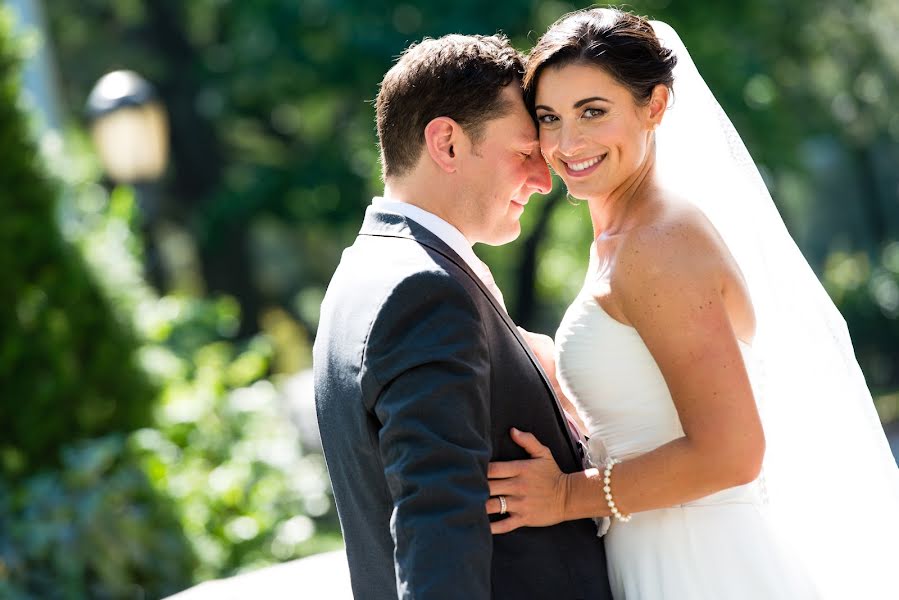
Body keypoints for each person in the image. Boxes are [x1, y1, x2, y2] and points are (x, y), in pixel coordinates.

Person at [485, 8, 899, 599]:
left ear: (654, 106)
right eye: (550, 118)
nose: (567, 143)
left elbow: (732, 453)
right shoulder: (623, 238)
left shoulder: (660, 242)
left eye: (593, 112)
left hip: (703, 564)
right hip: (661, 552)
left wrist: (566, 496)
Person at [313, 33, 613, 599]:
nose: (544, 179)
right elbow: (439, 526)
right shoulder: (426, 291)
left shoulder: (361, 274)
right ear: (446, 143)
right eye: (525, 153)